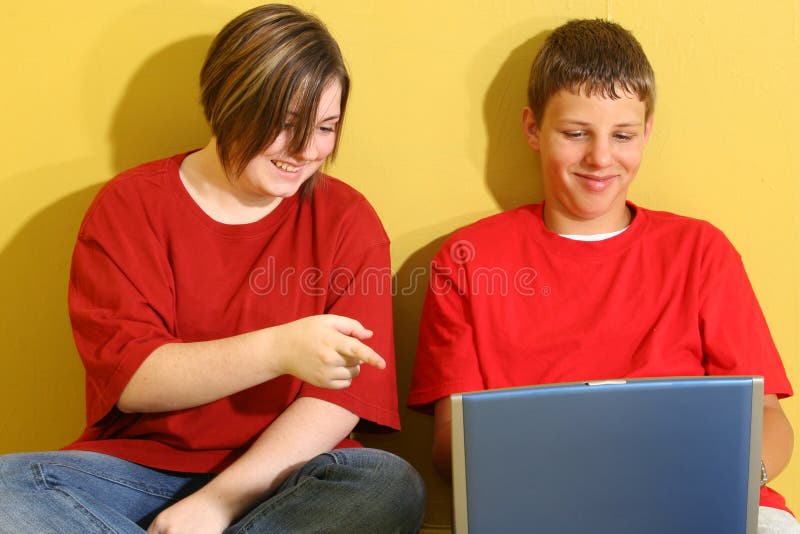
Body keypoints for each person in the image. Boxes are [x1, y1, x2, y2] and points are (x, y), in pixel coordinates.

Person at [0, 4, 425, 533]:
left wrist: (219, 504)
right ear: (228, 105)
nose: (305, 151)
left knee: (387, 483)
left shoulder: (347, 218)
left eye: (325, 127)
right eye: (286, 124)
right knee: (6, 490)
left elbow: (342, 398)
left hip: (291, 475)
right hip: (138, 473)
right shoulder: (130, 206)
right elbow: (134, 378)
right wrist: (279, 349)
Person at [408, 18, 798, 533]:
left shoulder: (701, 251)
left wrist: (737, 479)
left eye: (622, 135)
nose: (601, 158)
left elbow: (768, 416)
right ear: (532, 128)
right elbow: (448, 446)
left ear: (647, 131)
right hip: (543, 509)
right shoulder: (467, 258)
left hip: (704, 502)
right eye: (575, 134)